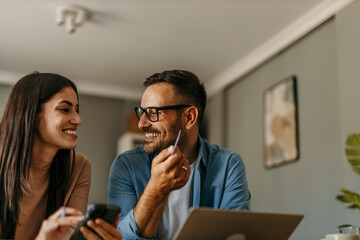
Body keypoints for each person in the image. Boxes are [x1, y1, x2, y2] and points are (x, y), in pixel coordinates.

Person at [108, 70, 251, 239]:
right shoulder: (126, 165)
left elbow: (236, 235)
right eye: (142, 112)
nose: (141, 123)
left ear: (189, 117)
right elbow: (120, 237)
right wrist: (156, 188)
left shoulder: (228, 165)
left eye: (153, 112)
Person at [0, 72, 122, 240]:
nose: (78, 120)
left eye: (77, 110)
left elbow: (69, 234)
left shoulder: (79, 167)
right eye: (65, 109)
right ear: (32, 114)